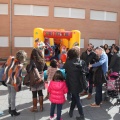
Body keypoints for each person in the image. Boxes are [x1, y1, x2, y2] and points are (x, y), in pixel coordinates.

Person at [64, 47, 87, 120]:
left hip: (71, 83)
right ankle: (71, 111)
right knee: (75, 98)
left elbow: (65, 70)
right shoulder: (82, 62)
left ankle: (82, 115)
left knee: (76, 98)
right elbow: (86, 71)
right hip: (79, 83)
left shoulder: (68, 62)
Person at [4, 50, 27, 116]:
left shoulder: (11, 58)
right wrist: (16, 85)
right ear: (22, 58)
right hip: (13, 82)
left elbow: (6, 66)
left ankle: (9, 107)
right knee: (13, 96)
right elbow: (16, 76)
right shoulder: (19, 65)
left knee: (9, 94)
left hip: (7, 80)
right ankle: (13, 110)